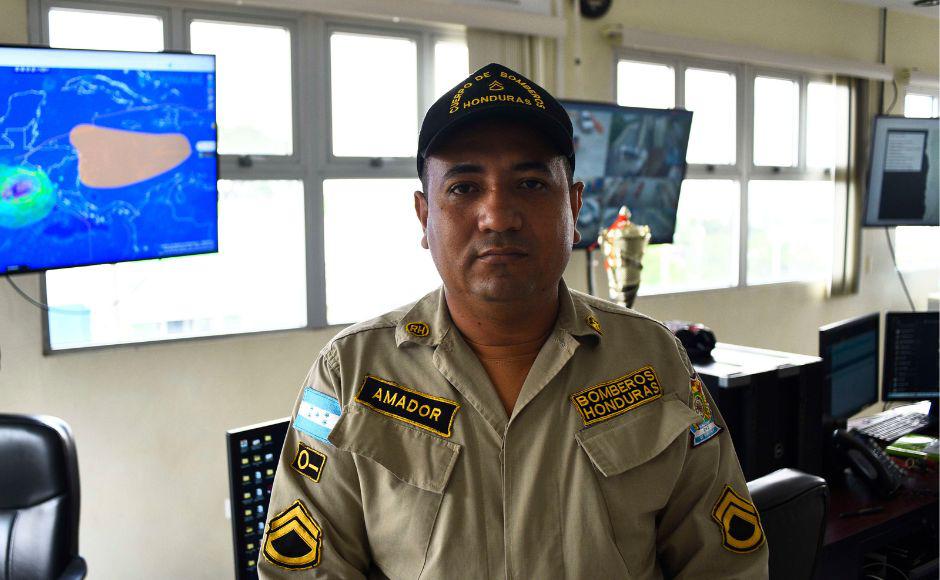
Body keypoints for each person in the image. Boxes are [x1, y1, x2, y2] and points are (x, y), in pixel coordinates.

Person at [258, 63, 769, 579]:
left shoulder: (653, 359)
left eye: (530, 183)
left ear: (574, 206)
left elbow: (725, 566)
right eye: (464, 187)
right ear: (424, 216)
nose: (498, 216)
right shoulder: (350, 374)